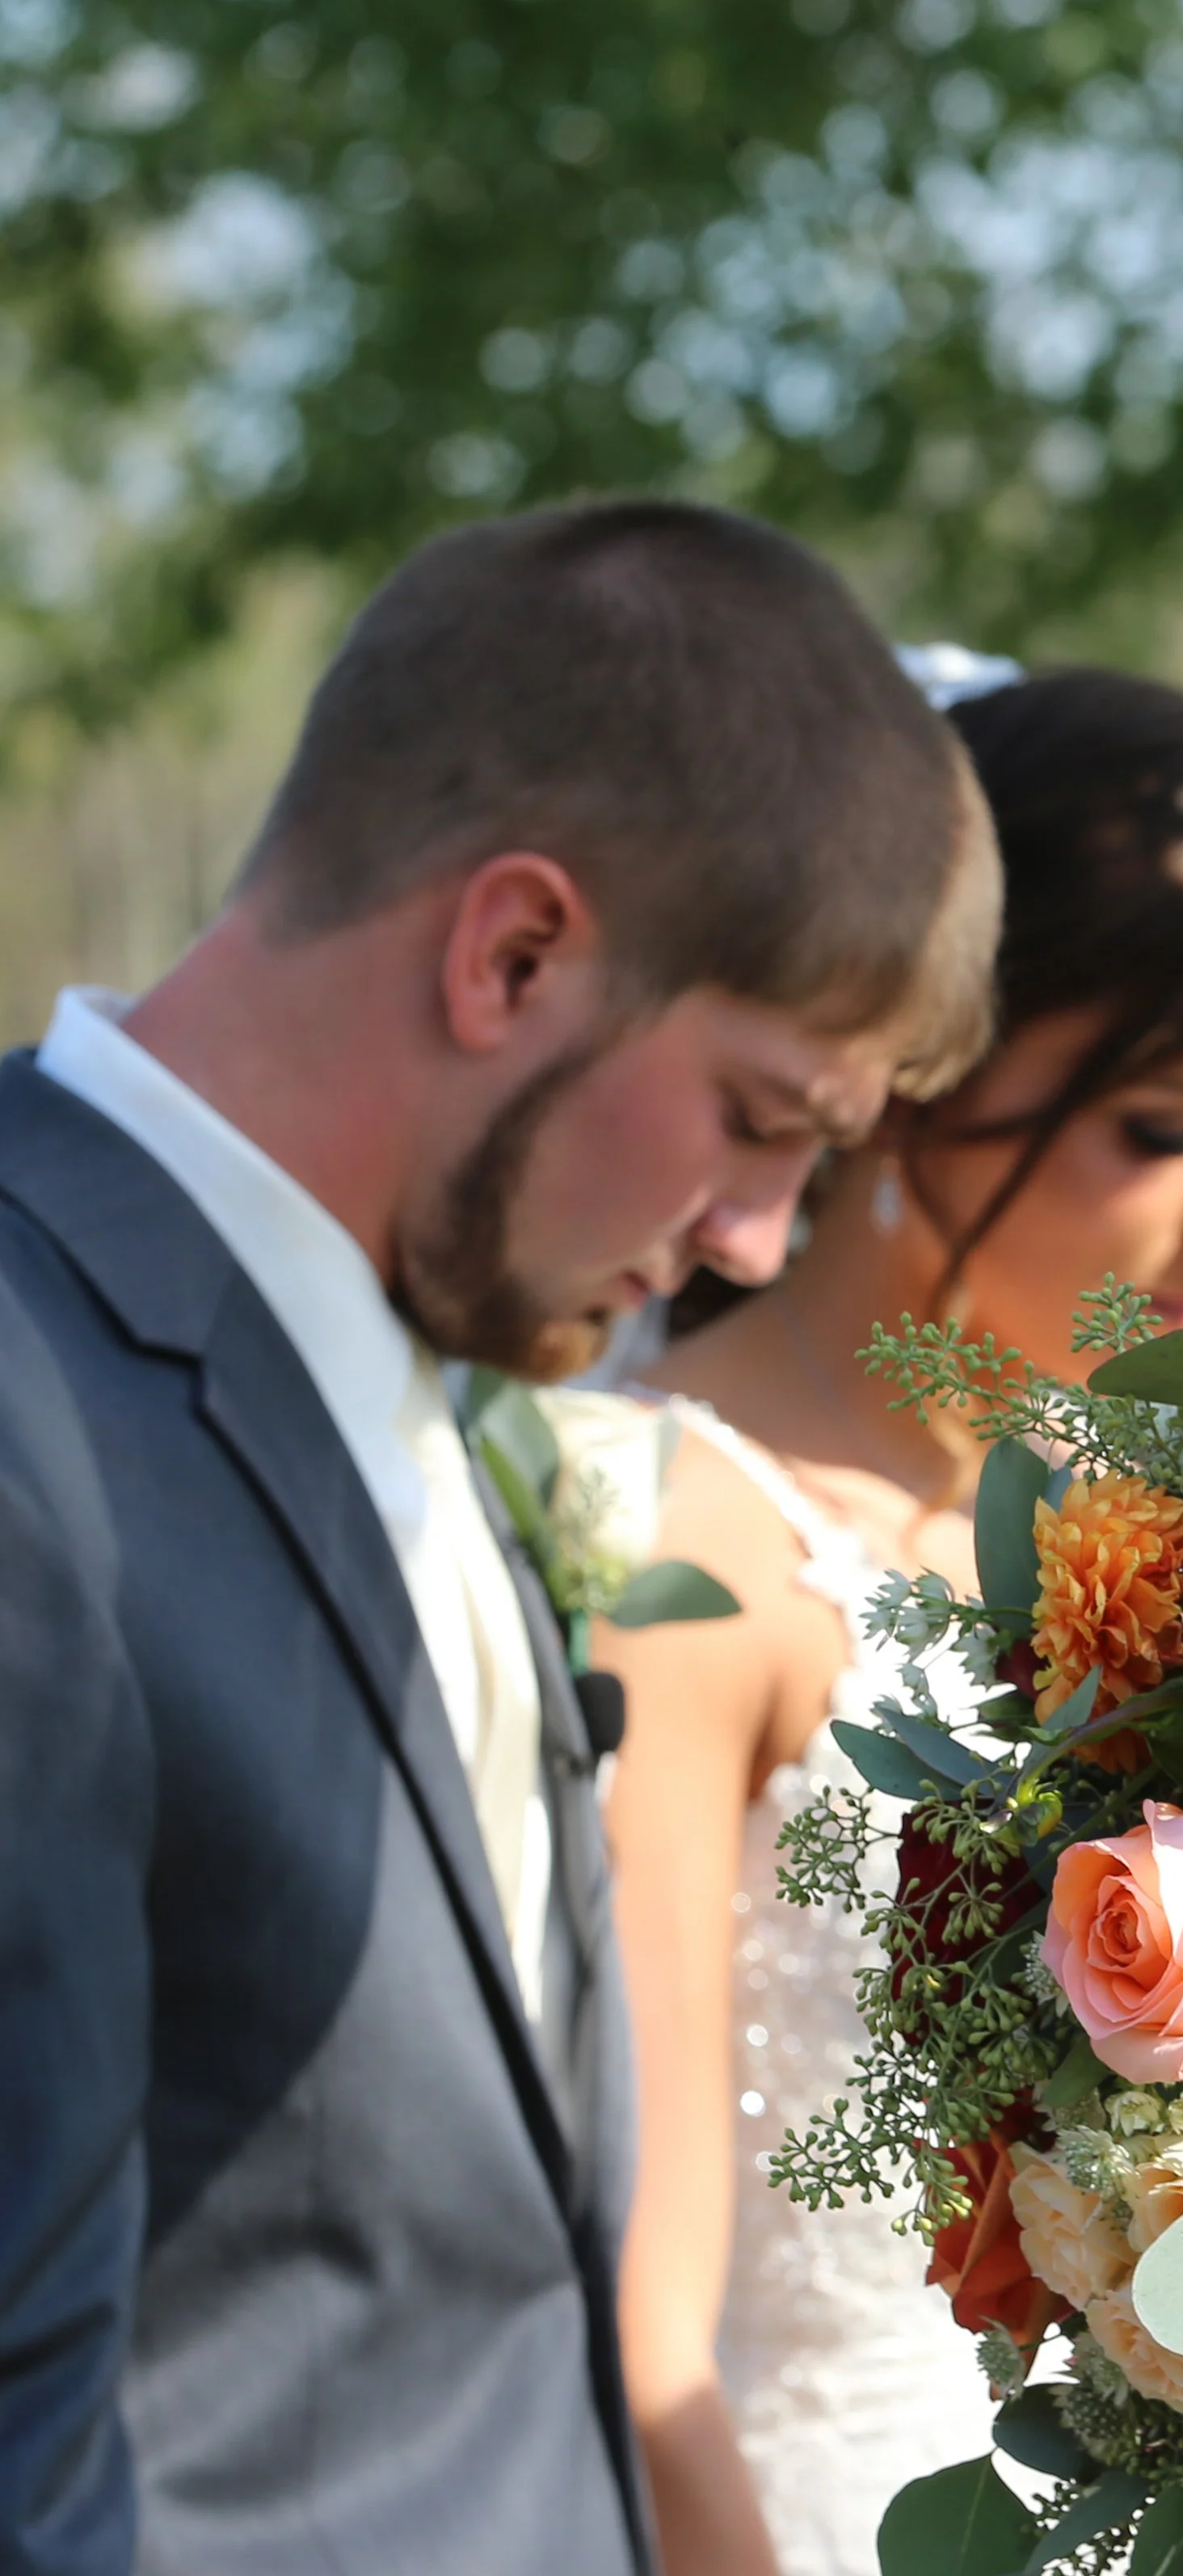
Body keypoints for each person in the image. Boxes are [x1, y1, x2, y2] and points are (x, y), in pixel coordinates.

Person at [0, 500, 1001, 2576]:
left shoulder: (448, 1388)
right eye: (757, 1119)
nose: (751, 1241)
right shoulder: (29, 1407)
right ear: (516, 950)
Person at [596, 663, 1183, 2576]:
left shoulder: (1145, 1529)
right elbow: (630, 2337)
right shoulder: (677, 1546)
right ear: (926, 1065)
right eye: (1172, 1124)